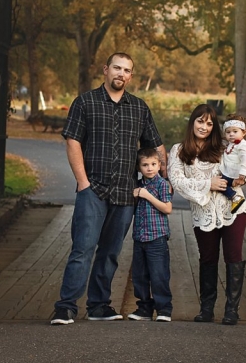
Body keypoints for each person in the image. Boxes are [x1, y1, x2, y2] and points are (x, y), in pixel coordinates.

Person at [50, 53, 166, 324]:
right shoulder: (85, 102)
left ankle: (99, 306)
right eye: (117, 68)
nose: (121, 74)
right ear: (105, 70)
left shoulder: (139, 107)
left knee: (110, 252)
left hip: (126, 193)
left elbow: (156, 146)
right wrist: (82, 182)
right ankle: (66, 306)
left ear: (130, 76)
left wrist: (162, 181)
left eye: (127, 70)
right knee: (83, 248)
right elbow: (73, 141)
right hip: (94, 189)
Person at [167, 104, 246, 326]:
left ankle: (231, 310)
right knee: (208, 258)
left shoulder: (224, 147)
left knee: (233, 255)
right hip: (204, 212)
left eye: (209, 123)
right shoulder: (179, 151)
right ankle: (206, 308)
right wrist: (209, 183)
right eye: (200, 121)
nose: (204, 127)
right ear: (192, 123)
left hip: (233, 207)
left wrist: (244, 177)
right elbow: (177, 181)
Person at [128, 147, 173, 322]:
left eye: (153, 164)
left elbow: (167, 208)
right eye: (145, 165)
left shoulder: (161, 184)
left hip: (157, 237)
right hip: (139, 237)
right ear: (139, 168)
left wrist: (146, 196)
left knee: (159, 274)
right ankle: (144, 308)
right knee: (140, 275)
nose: (150, 168)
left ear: (159, 165)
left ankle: (164, 309)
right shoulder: (138, 185)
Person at [219, 114, 246, 214]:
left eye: (235, 131)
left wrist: (242, 176)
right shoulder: (232, 144)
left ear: (244, 132)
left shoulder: (242, 146)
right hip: (230, 172)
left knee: (220, 183)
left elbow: (245, 161)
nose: (231, 134)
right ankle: (233, 189)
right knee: (221, 182)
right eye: (228, 132)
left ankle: (235, 197)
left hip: (236, 174)